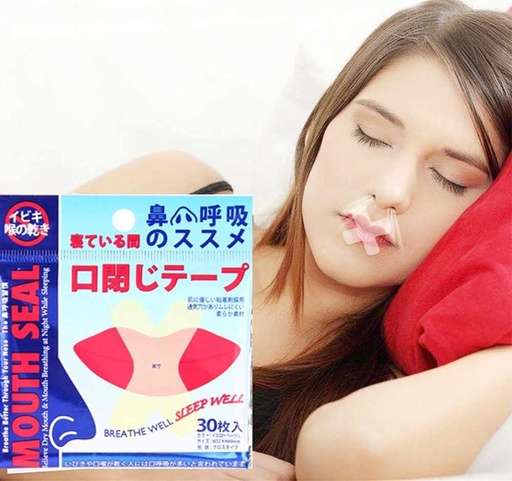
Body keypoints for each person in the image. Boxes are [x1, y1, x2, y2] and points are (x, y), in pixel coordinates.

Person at [2, 0, 511, 480]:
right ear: (324, 123)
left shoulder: (401, 397)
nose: (391, 190)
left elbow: (356, 446)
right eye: (371, 135)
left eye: (450, 178)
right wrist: (133, 468)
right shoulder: (179, 195)